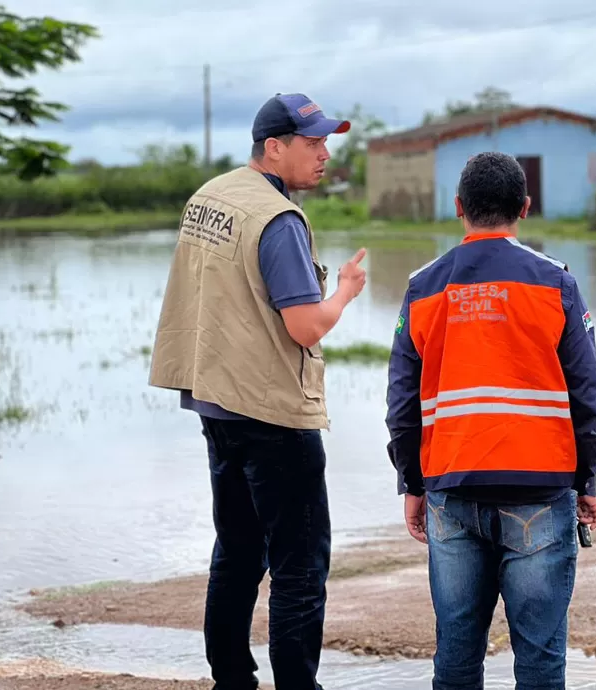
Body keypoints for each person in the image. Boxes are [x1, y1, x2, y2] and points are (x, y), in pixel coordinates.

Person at [148, 92, 367, 690]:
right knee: (299, 566)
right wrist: (345, 290)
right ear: (276, 147)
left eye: (326, 143)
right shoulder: (279, 220)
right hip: (271, 412)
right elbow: (304, 326)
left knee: (238, 549)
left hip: (216, 402)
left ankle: (231, 678)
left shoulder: (211, 195)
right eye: (313, 143)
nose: (325, 154)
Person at [384, 151, 596, 689]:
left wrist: (412, 482)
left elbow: (401, 402)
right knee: (539, 658)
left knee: (457, 657)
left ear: (459, 207)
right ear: (525, 208)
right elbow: (586, 392)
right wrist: (588, 481)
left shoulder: (422, 289)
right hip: (540, 491)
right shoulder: (556, 284)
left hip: (451, 491)